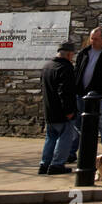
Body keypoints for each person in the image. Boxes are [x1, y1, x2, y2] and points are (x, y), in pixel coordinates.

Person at [71, 26, 102, 160]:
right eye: (91, 38)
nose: (93, 41)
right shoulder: (84, 52)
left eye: (96, 39)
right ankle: (72, 152)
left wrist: (100, 85)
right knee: (77, 123)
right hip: (80, 93)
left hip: (98, 94)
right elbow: (77, 71)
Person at [39, 42, 78, 175]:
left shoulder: (47, 67)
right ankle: (57, 165)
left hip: (49, 110)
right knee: (64, 138)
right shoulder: (65, 68)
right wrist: (69, 111)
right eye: (72, 55)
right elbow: (65, 92)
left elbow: (43, 89)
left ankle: (44, 164)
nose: (72, 58)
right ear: (68, 54)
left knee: (50, 138)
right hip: (62, 112)